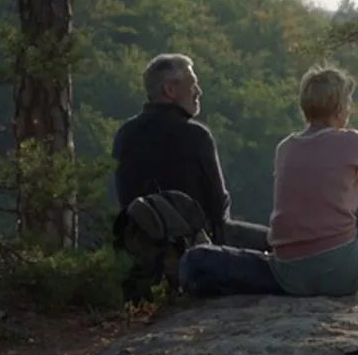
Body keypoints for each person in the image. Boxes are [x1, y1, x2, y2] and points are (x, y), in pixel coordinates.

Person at [266, 66, 358, 296]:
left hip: (289, 274)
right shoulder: (353, 142)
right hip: (341, 273)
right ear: (338, 110)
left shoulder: (284, 148)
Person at [111, 53, 269, 251]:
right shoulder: (196, 135)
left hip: (141, 243)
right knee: (275, 242)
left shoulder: (125, 134)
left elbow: (125, 199)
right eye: (193, 84)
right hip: (195, 242)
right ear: (170, 90)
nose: (199, 92)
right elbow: (218, 207)